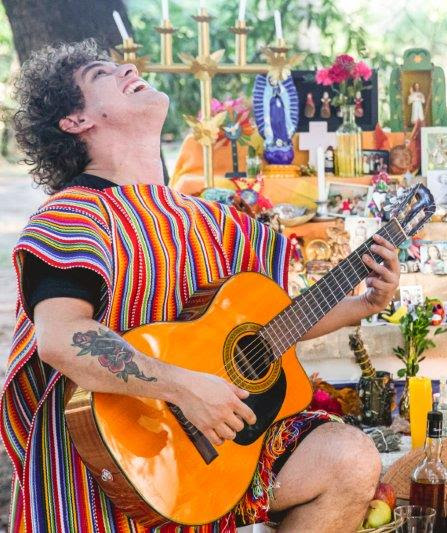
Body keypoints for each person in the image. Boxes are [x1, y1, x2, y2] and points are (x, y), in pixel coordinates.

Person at [2, 40, 401, 532]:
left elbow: (262, 334)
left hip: (208, 461)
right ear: (75, 120)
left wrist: (364, 303)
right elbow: (61, 338)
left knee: (350, 460)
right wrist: (186, 388)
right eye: (102, 73)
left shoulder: (217, 223)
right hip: (107, 478)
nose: (129, 65)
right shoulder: (72, 216)